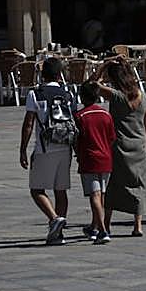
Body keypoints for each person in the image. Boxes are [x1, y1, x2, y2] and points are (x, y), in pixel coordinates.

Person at [19, 58, 78, 245]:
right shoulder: (68, 94)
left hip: (45, 147)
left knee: (36, 189)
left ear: (42, 74)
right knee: (61, 191)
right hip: (65, 146)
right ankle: (58, 233)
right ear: (59, 74)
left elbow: (29, 123)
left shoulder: (35, 94)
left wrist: (22, 149)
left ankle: (54, 219)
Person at [94, 59, 146, 238]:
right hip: (139, 145)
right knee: (139, 184)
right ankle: (138, 225)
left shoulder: (117, 96)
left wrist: (102, 66)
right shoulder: (143, 96)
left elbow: (91, 85)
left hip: (120, 145)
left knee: (115, 185)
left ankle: (107, 224)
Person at [74, 82, 115, 244]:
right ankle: (95, 226)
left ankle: (102, 230)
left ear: (82, 97)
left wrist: (77, 153)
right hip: (106, 158)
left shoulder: (80, 116)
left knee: (94, 195)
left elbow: (77, 140)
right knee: (102, 194)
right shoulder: (106, 114)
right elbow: (112, 138)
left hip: (89, 159)